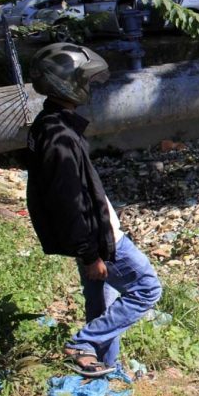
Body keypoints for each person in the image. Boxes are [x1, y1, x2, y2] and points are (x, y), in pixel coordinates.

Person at [26, 43, 162, 377]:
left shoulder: (51, 125)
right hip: (98, 238)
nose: (88, 87)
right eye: (83, 79)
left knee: (102, 300)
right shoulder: (60, 136)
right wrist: (90, 254)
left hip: (90, 235)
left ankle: (106, 369)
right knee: (147, 288)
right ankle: (82, 344)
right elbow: (68, 200)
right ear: (67, 82)